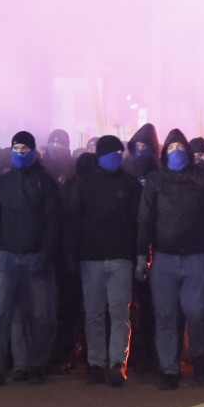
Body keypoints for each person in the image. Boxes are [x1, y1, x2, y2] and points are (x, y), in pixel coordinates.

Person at [137, 128, 204, 389]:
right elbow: (144, 219)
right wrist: (142, 255)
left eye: (180, 147)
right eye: (171, 147)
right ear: (164, 152)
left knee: (196, 312)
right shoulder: (155, 181)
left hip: (197, 256)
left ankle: (198, 357)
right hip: (164, 257)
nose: (176, 151)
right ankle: (169, 369)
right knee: (165, 315)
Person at [0, 131, 62, 385]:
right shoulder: (3, 184)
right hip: (7, 256)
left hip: (36, 256)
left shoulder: (45, 182)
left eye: (25, 149)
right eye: (16, 148)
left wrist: (46, 255)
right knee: (0, 313)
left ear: (34, 151)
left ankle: (37, 364)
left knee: (41, 315)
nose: (20, 153)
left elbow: (53, 222)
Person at [66, 134, 141, 386]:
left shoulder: (129, 185)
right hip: (93, 258)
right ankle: (97, 363)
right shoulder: (84, 184)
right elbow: (73, 222)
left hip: (118, 258)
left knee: (117, 313)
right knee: (96, 314)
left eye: (120, 153)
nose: (117, 157)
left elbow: (138, 224)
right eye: (113, 153)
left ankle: (116, 363)